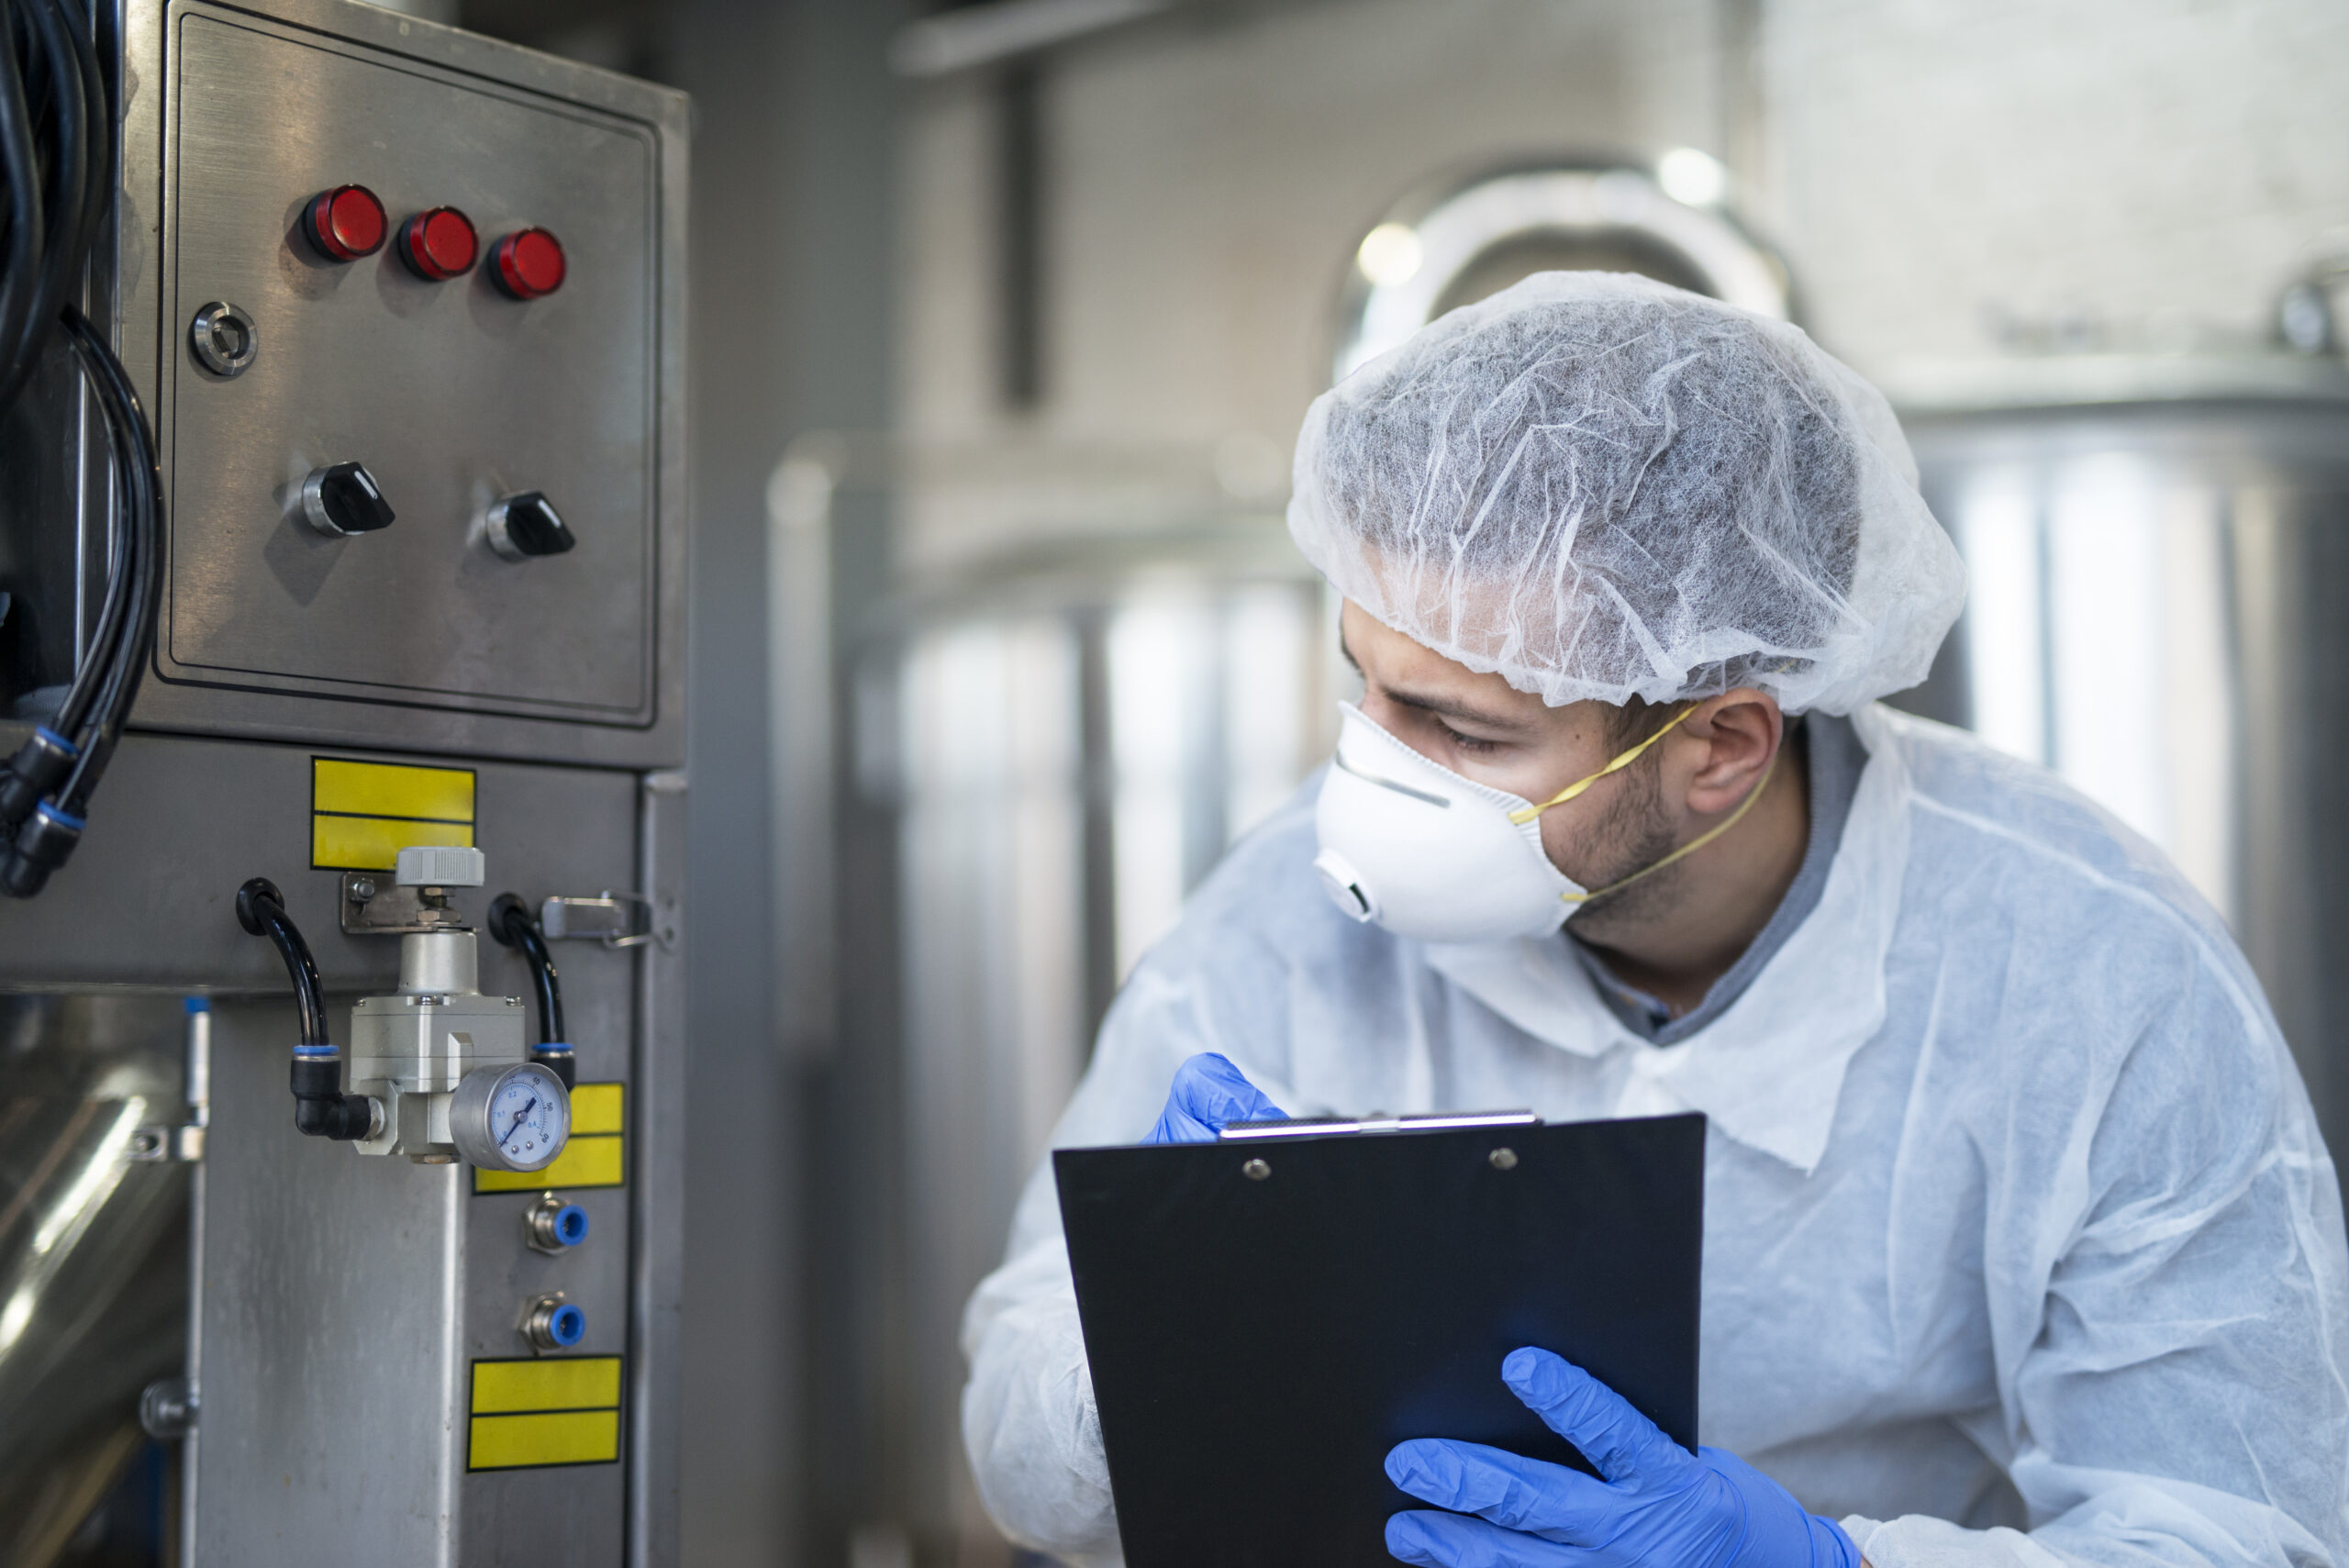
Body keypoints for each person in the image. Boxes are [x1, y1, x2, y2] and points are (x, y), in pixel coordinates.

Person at [960, 272, 2349, 1568]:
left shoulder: (2090, 975)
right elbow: (1016, 1422)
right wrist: (1137, 1337)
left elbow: (2239, 1528)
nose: (1366, 771)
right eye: (1365, 683)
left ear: (1722, 746)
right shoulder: (1286, 922)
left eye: (1461, 726)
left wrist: (1833, 1564)